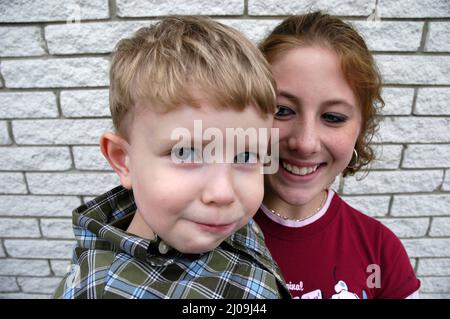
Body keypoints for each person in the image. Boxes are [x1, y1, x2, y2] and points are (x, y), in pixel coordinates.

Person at [53, 16, 290, 299]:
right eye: (185, 153)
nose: (223, 192)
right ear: (122, 159)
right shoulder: (99, 292)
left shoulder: (213, 222)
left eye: (246, 155)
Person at [254, 11, 420, 299]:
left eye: (332, 117)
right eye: (282, 110)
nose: (305, 143)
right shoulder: (201, 232)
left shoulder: (381, 253)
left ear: (360, 128)